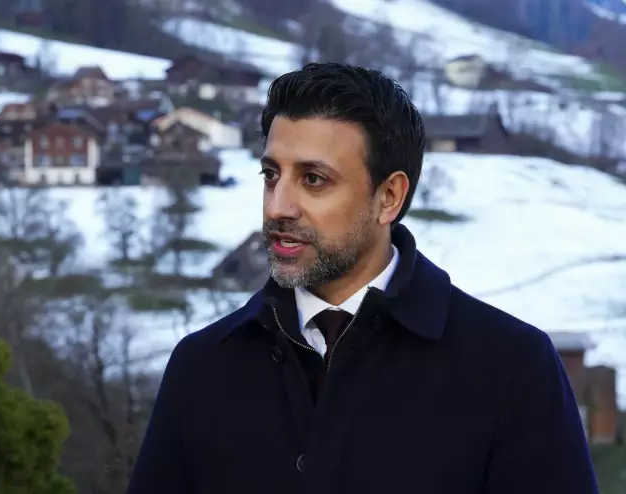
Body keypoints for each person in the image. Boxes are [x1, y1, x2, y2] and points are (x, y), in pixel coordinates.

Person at [127, 62, 598, 494]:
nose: (278, 207)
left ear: (388, 197)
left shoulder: (511, 369)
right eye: (271, 175)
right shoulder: (203, 367)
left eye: (313, 179)